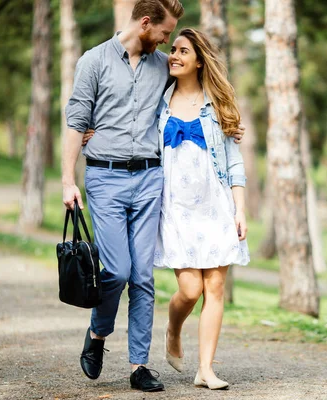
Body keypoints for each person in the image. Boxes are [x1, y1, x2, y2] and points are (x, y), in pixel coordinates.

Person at [62, 0, 184, 392]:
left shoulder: (163, 65)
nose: (167, 40)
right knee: (116, 271)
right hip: (105, 179)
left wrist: (229, 123)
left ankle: (138, 366)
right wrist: (68, 179)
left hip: (150, 179)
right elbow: (76, 121)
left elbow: (200, 86)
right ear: (145, 23)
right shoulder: (93, 61)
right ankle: (98, 335)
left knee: (144, 277)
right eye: (164, 32)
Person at [153, 28, 250, 390]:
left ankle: (205, 369)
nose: (173, 55)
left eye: (182, 51)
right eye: (173, 50)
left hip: (216, 204)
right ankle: (173, 328)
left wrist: (240, 209)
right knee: (190, 289)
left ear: (198, 60)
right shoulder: (157, 101)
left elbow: (235, 163)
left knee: (216, 287)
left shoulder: (220, 104)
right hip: (176, 208)